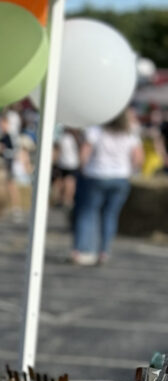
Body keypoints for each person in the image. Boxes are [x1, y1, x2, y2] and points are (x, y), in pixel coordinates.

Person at [71, 109, 144, 266]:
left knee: (88, 213)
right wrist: (130, 171)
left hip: (96, 175)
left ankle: (81, 250)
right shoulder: (130, 133)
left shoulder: (96, 130)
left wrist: (84, 169)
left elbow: (84, 153)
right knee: (110, 215)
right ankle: (104, 251)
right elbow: (138, 158)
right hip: (120, 177)